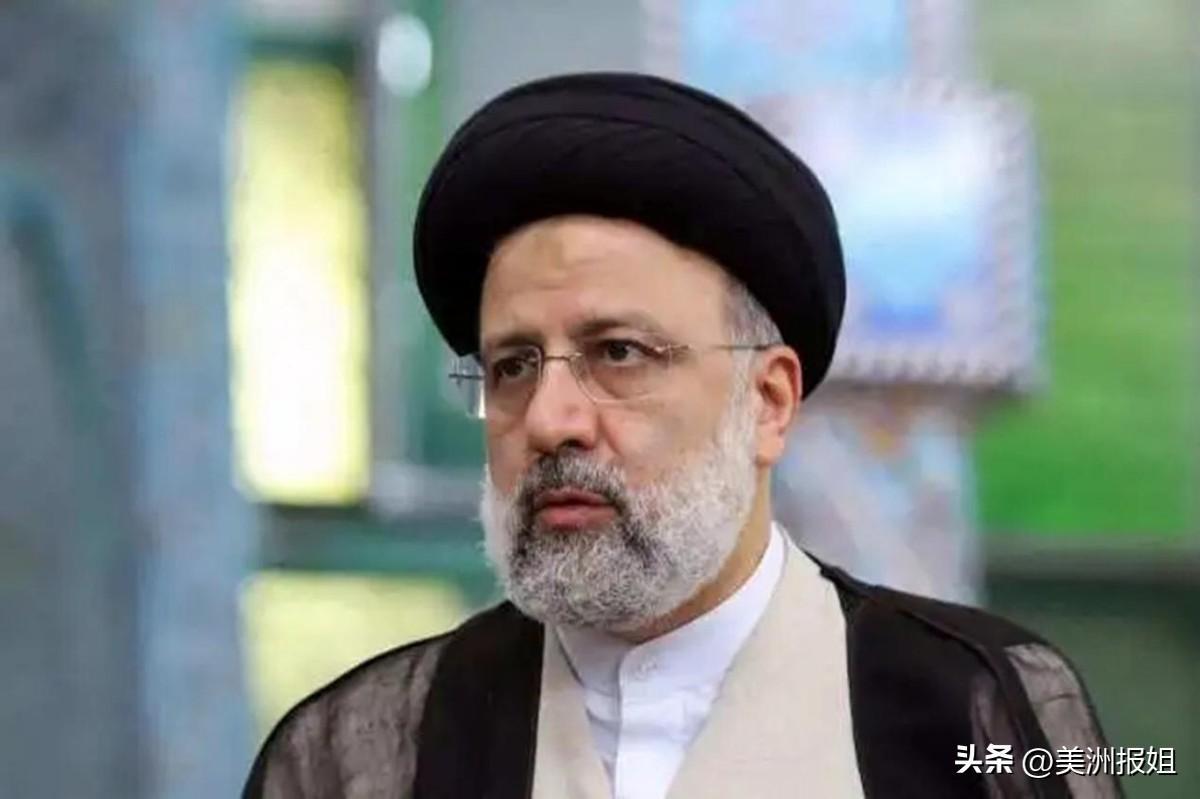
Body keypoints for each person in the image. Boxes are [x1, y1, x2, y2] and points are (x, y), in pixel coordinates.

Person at [244, 72, 1120, 799]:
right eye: (512, 365)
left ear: (767, 402)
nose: (549, 419)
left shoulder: (980, 710)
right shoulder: (359, 755)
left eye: (618, 353)